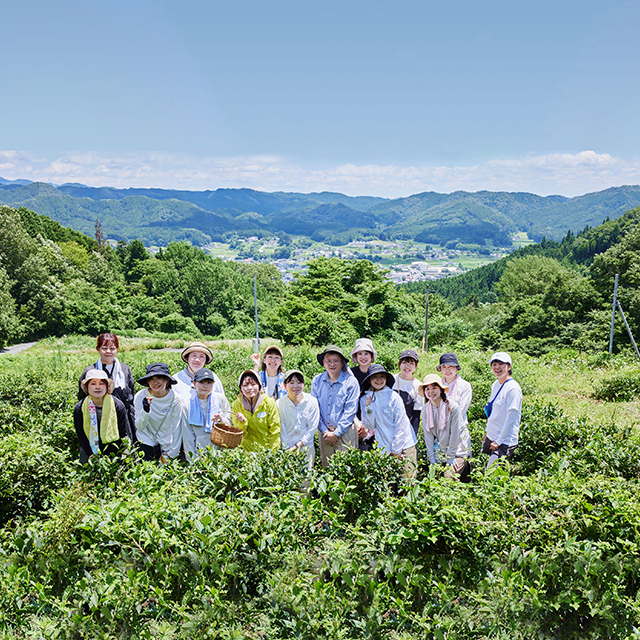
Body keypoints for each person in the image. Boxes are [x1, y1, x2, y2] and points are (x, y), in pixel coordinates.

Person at [360, 364, 418, 479]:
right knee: (388, 485)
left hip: (405, 444)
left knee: (407, 482)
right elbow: (370, 426)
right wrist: (368, 407)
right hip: (384, 446)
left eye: (382, 376)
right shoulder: (365, 399)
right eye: (375, 377)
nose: (379, 380)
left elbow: (401, 425)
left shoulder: (393, 397)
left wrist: (396, 450)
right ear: (369, 380)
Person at [310, 345, 360, 467]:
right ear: (323, 363)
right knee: (327, 469)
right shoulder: (317, 380)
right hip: (325, 434)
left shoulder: (351, 382)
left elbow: (350, 410)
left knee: (347, 471)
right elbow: (314, 408)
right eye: (329, 361)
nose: (332, 364)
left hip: (346, 432)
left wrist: (337, 433)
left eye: (336, 361)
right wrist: (325, 431)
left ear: (342, 363)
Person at [74, 369, 133, 464]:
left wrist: (125, 452)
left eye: (101, 383)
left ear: (107, 386)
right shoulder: (80, 407)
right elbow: (81, 434)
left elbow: (125, 431)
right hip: (88, 447)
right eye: (93, 384)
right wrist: (90, 454)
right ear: (86, 387)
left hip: (114, 448)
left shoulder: (117, 405)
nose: (97, 387)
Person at [78, 333, 136, 430]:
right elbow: (82, 398)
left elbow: (131, 395)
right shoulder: (90, 371)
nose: (108, 351)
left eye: (112, 348)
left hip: (124, 420)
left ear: (117, 349)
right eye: (104, 348)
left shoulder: (124, 369)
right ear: (98, 349)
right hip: (98, 419)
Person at [134, 363, 185, 463]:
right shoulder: (140, 396)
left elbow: (176, 427)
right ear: (147, 381)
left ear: (167, 380)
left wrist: (173, 452)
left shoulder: (175, 398)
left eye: (159, 378)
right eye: (151, 379)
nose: (155, 382)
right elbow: (139, 427)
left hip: (167, 443)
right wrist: (145, 411)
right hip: (146, 440)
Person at [182, 367, 232, 463]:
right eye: (201, 382)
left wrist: (221, 420)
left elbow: (230, 424)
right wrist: (192, 462)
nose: (205, 386)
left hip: (220, 453)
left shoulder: (220, 399)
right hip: (199, 454)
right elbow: (188, 437)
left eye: (209, 383)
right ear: (194, 384)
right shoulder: (188, 406)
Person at [419, 374, 463, 479]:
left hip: (457, 452)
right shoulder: (425, 409)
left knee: (448, 479)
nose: (431, 391)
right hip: (439, 452)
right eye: (427, 389)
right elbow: (428, 435)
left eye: (434, 388)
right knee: (434, 480)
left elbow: (455, 434)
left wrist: (451, 457)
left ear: (441, 390)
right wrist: (432, 460)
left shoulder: (453, 407)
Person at [483, 352, 522, 469]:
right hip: (492, 435)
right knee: (496, 472)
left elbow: (511, 418)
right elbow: (493, 411)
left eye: (501, 364)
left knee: (490, 473)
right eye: (494, 364)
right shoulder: (495, 384)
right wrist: (487, 432)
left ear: (509, 366)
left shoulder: (513, 389)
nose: (497, 367)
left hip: (504, 440)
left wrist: (499, 441)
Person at [437, 353, 472, 480]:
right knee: (438, 475)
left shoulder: (465, 386)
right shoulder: (436, 384)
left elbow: (461, 411)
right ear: (440, 369)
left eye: (451, 367)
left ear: (457, 368)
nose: (448, 370)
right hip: (440, 435)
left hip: (458, 435)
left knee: (450, 476)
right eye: (444, 367)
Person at [276, 369, 320, 469]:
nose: (296, 386)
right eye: (291, 383)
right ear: (284, 385)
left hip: (306, 448)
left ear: (303, 384)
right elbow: (282, 428)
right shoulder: (279, 403)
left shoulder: (312, 402)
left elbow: (312, 428)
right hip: (287, 449)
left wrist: (298, 445)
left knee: (306, 480)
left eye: (299, 382)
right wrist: (287, 449)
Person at [231, 370, 281, 452]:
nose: (250, 388)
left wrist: (273, 453)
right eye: (245, 385)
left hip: (266, 450)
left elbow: (275, 429)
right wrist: (242, 422)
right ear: (240, 388)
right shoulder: (237, 405)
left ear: (259, 386)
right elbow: (237, 431)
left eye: (253, 384)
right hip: (246, 451)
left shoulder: (268, 402)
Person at [350, 338, 377, 451]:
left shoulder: (377, 373)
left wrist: (368, 427)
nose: (363, 357)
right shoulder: (350, 374)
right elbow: (348, 400)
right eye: (360, 353)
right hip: (353, 421)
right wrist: (357, 423)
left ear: (371, 356)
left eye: (366, 353)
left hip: (375, 424)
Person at [392, 349, 423, 437]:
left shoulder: (418, 386)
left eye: (411, 364)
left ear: (416, 366)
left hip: (405, 430)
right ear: (399, 364)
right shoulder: (391, 380)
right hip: (388, 426)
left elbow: (416, 414)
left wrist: (413, 436)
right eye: (405, 362)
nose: (407, 366)